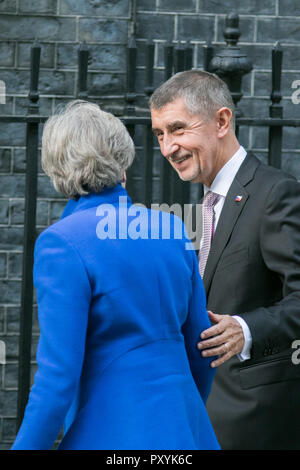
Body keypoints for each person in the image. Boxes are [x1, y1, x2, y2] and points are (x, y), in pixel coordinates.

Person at [11, 100, 220, 450]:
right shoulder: (170, 229)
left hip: (109, 433)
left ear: (57, 168)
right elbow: (202, 349)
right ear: (122, 160)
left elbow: (56, 381)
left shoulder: (61, 243)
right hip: (187, 432)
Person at [150, 70, 300, 450]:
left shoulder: (275, 194)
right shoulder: (206, 203)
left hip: (256, 422)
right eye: (160, 135)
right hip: (200, 417)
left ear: (221, 121)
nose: (168, 147)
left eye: (178, 129)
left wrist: (245, 329)